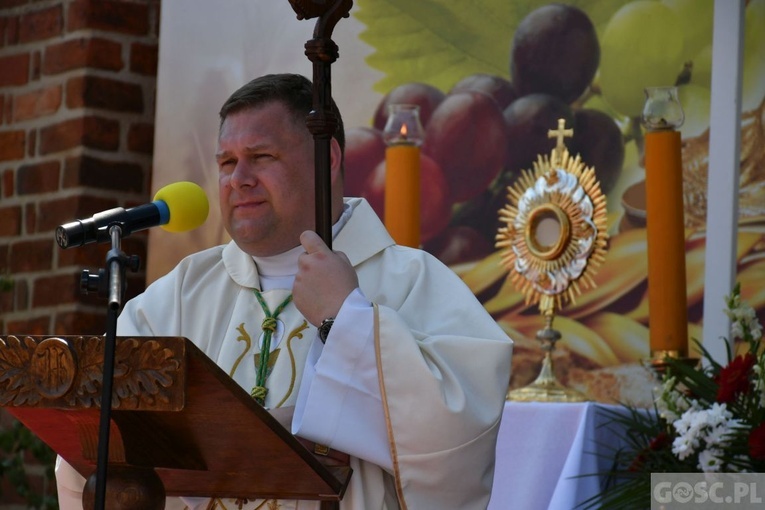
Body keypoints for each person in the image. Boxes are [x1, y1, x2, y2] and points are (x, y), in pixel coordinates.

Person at [55, 73, 513, 510]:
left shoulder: (410, 281)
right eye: (227, 162)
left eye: (262, 157)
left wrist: (346, 319)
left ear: (328, 158)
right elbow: (95, 442)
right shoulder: (179, 295)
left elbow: (459, 431)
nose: (239, 179)